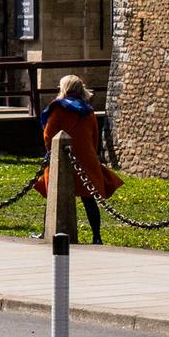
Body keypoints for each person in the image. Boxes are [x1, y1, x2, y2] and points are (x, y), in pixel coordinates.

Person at [39, 74, 120, 244]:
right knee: (89, 199)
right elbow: (94, 137)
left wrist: (51, 151)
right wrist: (91, 154)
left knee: (53, 196)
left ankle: (46, 231)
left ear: (64, 89)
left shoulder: (59, 108)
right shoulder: (88, 111)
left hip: (63, 157)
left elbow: (48, 135)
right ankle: (96, 236)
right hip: (85, 158)